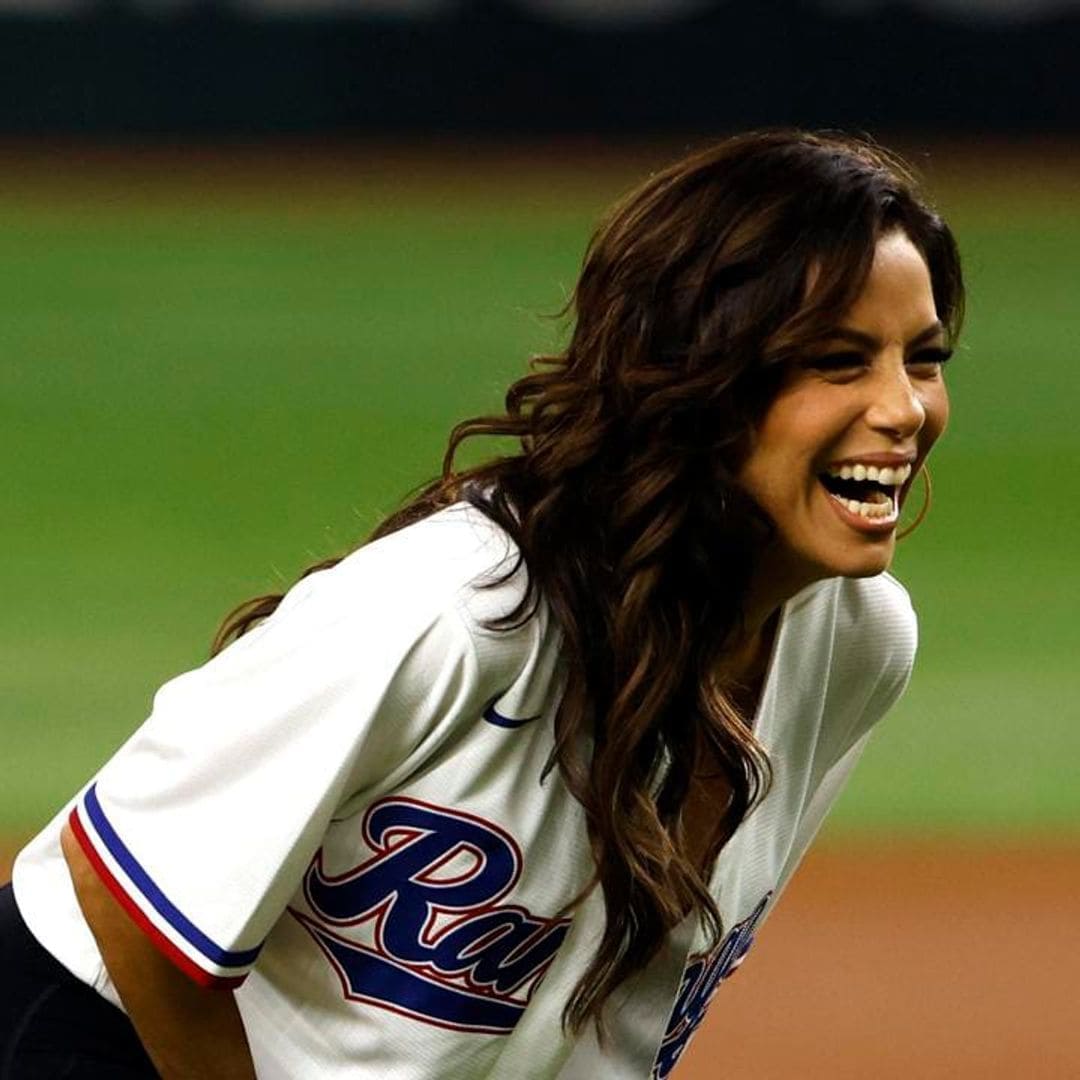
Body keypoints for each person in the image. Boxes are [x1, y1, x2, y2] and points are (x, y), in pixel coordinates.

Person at [3, 130, 962, 1079]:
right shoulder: (460, 606)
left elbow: (606, 1029)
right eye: (836, 361)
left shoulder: (856, 644)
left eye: (923, 358)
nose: (904, 408)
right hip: (87, 1032)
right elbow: (123, 884)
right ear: (702, 378)